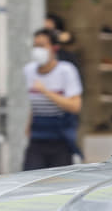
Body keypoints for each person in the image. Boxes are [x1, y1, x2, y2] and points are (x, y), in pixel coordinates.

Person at [24, 29, 83, 170]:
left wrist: (46, 92)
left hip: (60, 139)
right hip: (37, 139)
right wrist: (29, 124)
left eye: (42, 46)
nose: (37, 50)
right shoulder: (29, 70)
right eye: (35, 46)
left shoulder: (66, 71)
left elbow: (75, 106)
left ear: (54, 48)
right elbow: (34, 103)